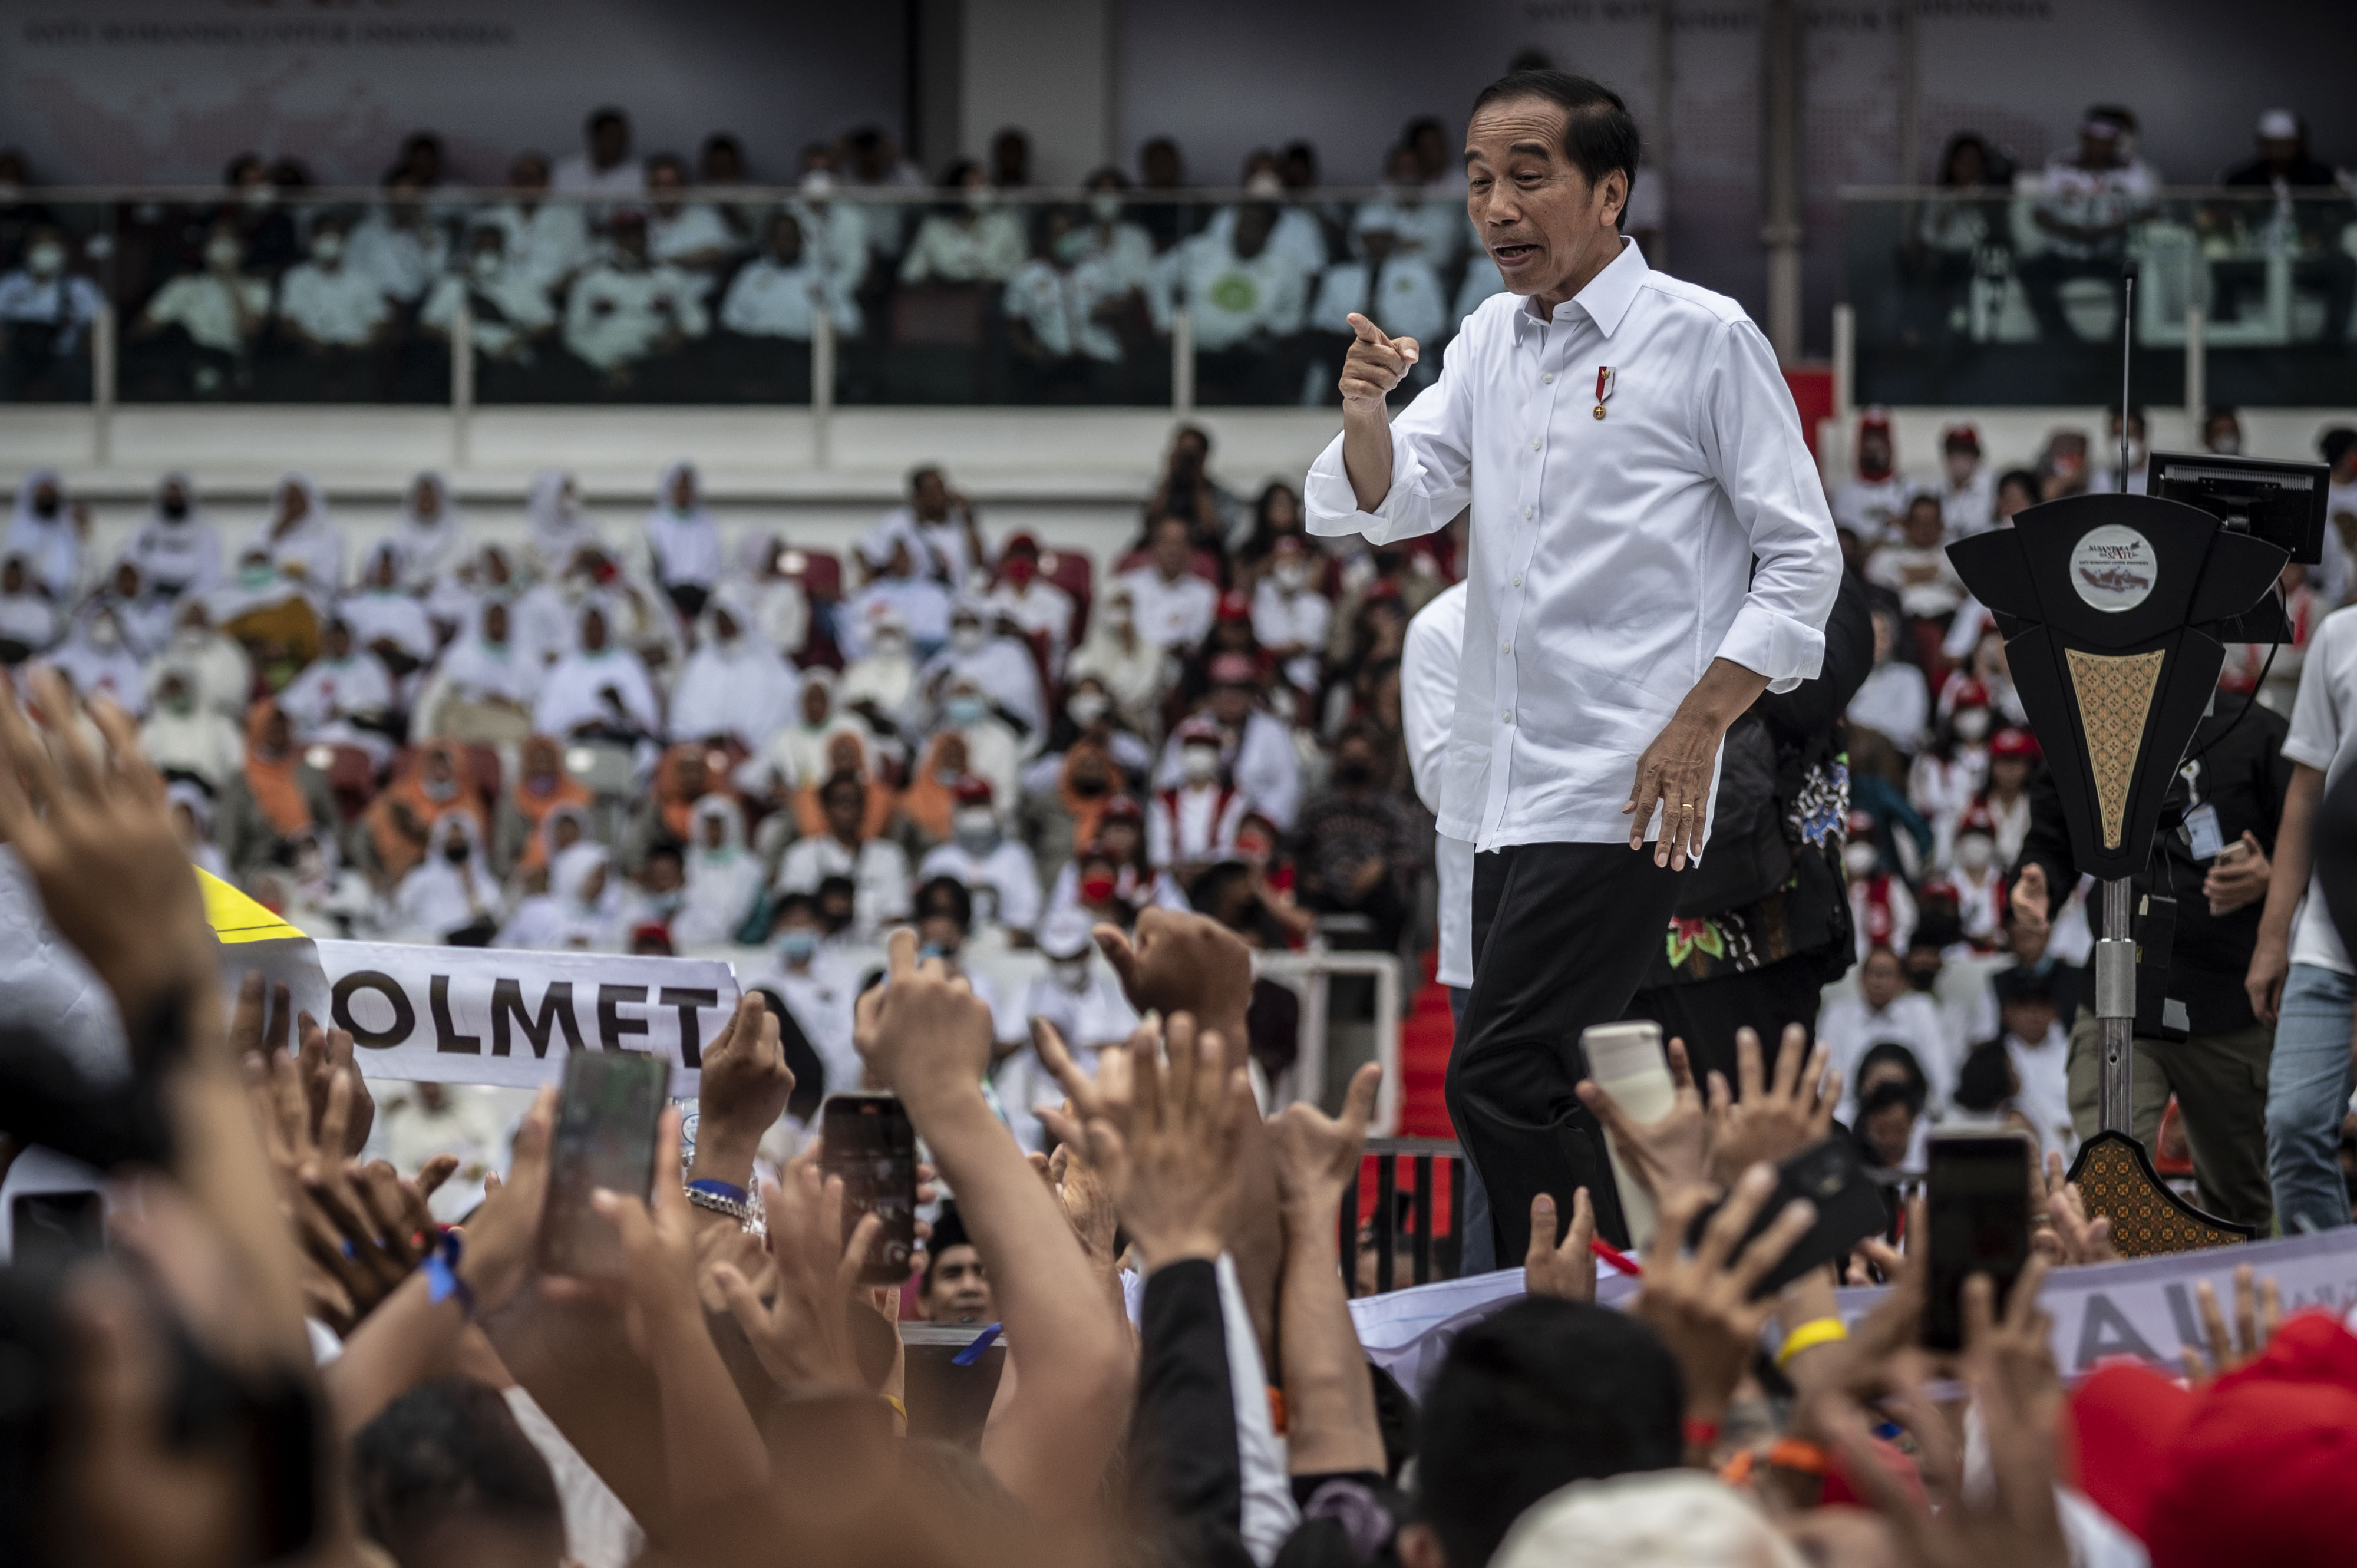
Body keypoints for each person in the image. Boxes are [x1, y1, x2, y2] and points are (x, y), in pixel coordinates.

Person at [1306, 71, 1840, 1256]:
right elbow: (1395, 502)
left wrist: (1702, 718)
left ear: (1609, 192)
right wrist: (1363, 414)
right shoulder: (1488, 336)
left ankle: (1575, 1324)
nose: (1495, 206)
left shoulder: (1702, 338)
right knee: (1544, 1084)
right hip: (1505, 793)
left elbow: (1801, 559)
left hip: (1625, 785)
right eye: (1479, 180)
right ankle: (1603, 1309)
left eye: (1526, 176)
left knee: (1499, 1078)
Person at [2012, 665, 2287, 1233]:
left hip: (2231, 1005)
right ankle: (2117, 1305)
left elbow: (2311, 842)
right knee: (2108, 1191)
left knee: (2244, 1200)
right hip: (2120, 995)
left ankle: (2248, 1313)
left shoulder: (2261, 732)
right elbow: (2053, 829)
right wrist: (2038, 875)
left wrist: (2273, 876)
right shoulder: (2091, 722)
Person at [2022, 106, 2157, 344]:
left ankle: (2121, 346)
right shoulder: (2060, 165)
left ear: (2115, 142)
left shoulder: (2133, 170)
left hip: (2111, 253)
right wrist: (2067, 229)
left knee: (2137, 276)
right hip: (2064, 253)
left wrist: (2112, 230)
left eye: (2106, 142)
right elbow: (2039, 214)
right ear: (2083, 138)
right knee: (2031, 271)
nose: (2099, 147)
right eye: (2094, 141)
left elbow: (2150, 212)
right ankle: (2063, 341)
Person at [2217, 109, 2353, 344]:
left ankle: (2332, 342)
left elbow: (2346, 212)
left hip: (2308, 259)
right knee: (2224, 265)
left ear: (2297, 144)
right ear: (2260, 144)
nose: (2278, 151)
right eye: (2270, 144)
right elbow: (2222, 217)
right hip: (2257, 259)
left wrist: (2319, 235)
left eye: (2285, 144)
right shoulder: (2240, 177)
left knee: (2345, 266)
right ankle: (2223, 335)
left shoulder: (2320, 175)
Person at [563, 212, 708, 384]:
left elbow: (698, 320)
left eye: (639, 236)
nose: (634, 243)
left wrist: (679, 334)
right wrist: (608, 364)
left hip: (654, 357)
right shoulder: (590, 281)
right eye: (626, 237)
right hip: (604, 358)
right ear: (615, 241)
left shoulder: (669, 276)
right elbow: (574, 334)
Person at [131, 216, 270, 394]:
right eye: (215, 240)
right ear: (205, 249)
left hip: (226, 361)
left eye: (227, 241)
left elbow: (250, 331)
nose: (221, 247)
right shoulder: (183, 285)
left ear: (241, 248)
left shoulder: (258, 288)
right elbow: (143, 329)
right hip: (181, 361)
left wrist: (230, 281)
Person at [774, 770, 912, 939]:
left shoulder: (888, 856)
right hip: (816, 948)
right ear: (825, 808)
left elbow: (898, 912)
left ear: (864, 808)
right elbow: (790, 912)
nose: (848, 807)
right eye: (840, 801)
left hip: (871, 947)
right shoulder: (800, 855)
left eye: (855, 801)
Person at [916, 775, 1043, 940]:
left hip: (1003, 946)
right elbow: (927, 911)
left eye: (980, 805)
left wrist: (1007, 938)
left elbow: (1029, 909)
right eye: (969, 806)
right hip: (950, 944)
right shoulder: (938, 858)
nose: (976, 813)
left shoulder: (1016, 854)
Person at [667, 588, 793, 750]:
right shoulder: (701, 663)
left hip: (755, 753)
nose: (723, 624)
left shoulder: (766, 662)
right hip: (705, 754)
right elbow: (684, 718)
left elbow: (782, 707)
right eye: (718, 619)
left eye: (727, 618)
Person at [532, 600, 662, 741]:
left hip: (621, 745)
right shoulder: (564, 669)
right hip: (577, 745)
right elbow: (548, 724)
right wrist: (581, 727)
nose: (594, 632)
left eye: (599, 627)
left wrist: (620, 706)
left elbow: (649, 723)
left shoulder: (628, 663)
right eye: (590, 627)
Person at [0, 221, 101, 397]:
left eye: (51, 244)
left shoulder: (79, 287)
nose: (45, 250)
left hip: (63, 359)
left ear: (63, 250)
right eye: (39, 244)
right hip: (19, 359)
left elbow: (99, 330)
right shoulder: (9, 285)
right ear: (27, 250)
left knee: (80, 375)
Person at [474, 150, 595, 292]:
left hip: (551, 298)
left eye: (531, 178)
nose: (525, 184)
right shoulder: (490, 218)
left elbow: (583, 263)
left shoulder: (569, 219)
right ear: (512, 182)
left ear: (546, 182)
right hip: (497, 296)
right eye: (520, 178)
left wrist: (562, 286)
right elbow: (473, 264)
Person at [898, 161, 1025, 285]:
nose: (982, 191)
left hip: (995, 297)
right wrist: (935, 276)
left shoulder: (1006, 224)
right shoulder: (934, 228)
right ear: (956, 190)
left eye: (984, 183)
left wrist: (993, 276)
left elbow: (1022, 268)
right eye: (973, 184)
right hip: (950, 298)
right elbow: (910, 273)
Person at [1115, 513, 1219, 653]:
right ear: (1153, 546)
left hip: (1181, 667)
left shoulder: (1206, 593)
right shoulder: (1126, 586)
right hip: (1135, 662)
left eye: (1180, 543)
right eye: (1166, 542)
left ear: (1190, 550)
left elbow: (1197, 642)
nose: (1173, 550)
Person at [983, 531, 1077, 677]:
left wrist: (1021, 632)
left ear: (1037, 561)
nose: (1020, 561)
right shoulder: (990, 602)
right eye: (1015, 556)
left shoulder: (1059, 601)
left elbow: (1057, 639)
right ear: (1005, 561)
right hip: (999, 673)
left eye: (1027, 556)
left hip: (1041, 673)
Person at [1830, 410, 1910, 546]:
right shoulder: (1844, 494)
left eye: (1880, 440)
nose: (1875, 447)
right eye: (1869, 440)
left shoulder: (1909, 490)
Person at [5, 467, 80, 602]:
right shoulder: (17, 534)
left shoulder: (70, 533)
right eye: (43, 493)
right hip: (25, 605)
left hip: (66, 605)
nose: (47, 497)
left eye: (50, 492)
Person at [552, 105, 644, 198]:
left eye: (622, 137)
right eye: (612, 136)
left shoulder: (640, 176)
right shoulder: (565, 172)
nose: (619, 142)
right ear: (595, 137)